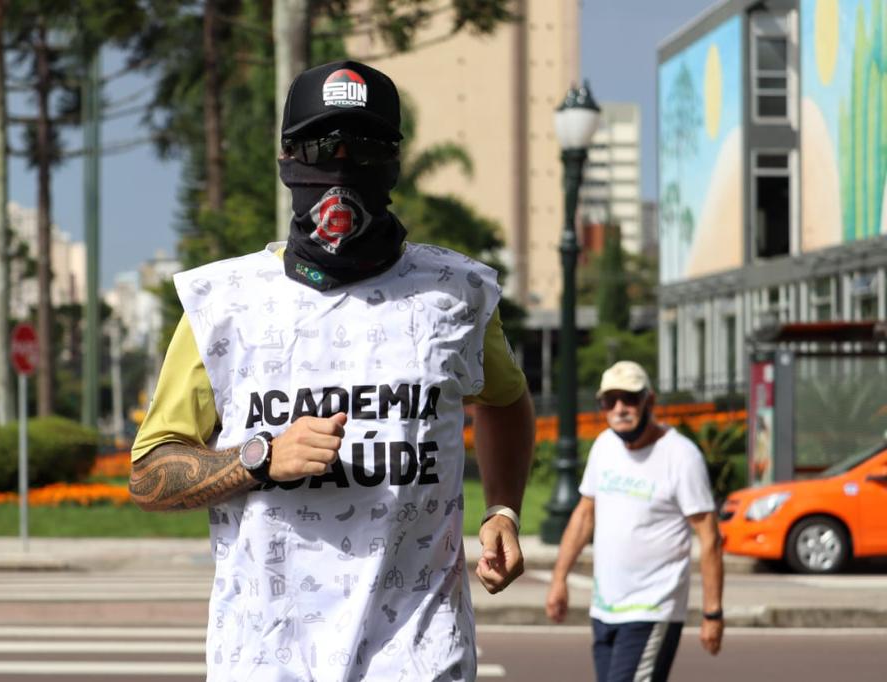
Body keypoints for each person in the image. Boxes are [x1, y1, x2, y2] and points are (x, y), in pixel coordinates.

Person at [130, 59, 535, 681]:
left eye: (366, 147)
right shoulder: (224, 305)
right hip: (267, 656)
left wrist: (503, 509)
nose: (342, 166)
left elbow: (505, 401)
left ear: (394, 162)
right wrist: (259, 457)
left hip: (417, 654)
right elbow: (150, 474)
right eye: (323, 146)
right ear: (290, 159)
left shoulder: (457, 294)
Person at [545, 361, 724, 682]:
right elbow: (585, 515)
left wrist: (713, 612)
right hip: (605, 608)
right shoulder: (605, 446)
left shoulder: (681, 456)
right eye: (609, 401)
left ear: (649, 401)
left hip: (653, 607)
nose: (619, 409)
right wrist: (560, 579)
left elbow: (709, 536)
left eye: (629, 399)